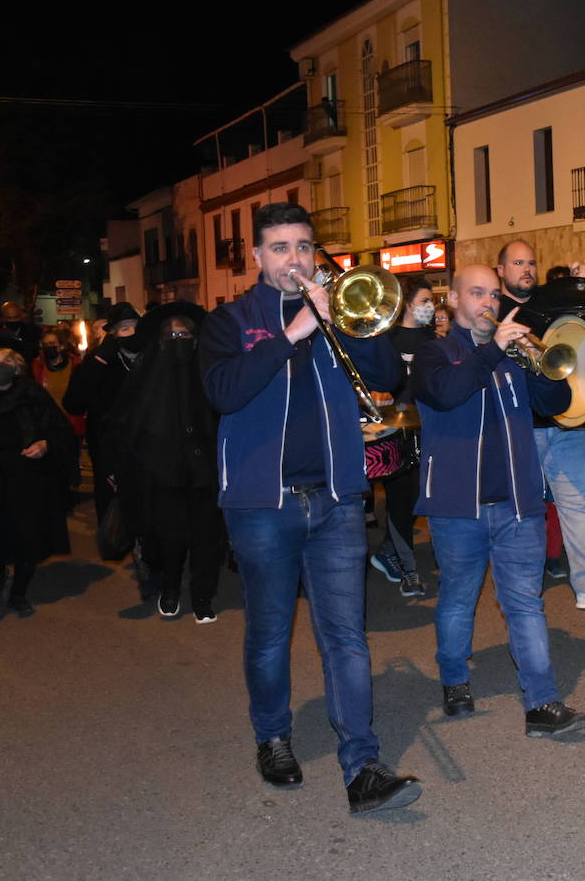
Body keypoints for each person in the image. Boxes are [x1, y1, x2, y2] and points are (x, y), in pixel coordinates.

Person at [199, 202, 420, 814]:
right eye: (280, 248)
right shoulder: (229, 322)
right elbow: (223, 392)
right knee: (270, 634)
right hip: (262, 505)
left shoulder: (335, 309)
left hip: (336, 499)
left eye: (303, 246)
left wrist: (344, 322)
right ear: (257, 256)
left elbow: (387, 375)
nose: (294, 259)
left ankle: (363, 767)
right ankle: (272, 737)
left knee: (346, 637)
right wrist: (293, 332)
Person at [412, 263, 585, 736]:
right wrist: (492, 351)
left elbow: (556, 403)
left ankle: (542, 702)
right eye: (477, 293)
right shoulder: (433, 354)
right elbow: (447, 393)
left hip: (518, 505)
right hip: (457, 507)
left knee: (526, 604)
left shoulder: (512, 355)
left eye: (493, 294)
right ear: (453, 299)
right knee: (457, 600)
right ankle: (454, 681)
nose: (488, 303)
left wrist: (538, 361)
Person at [496, 239, 585, 610]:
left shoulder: (550, 303)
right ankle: (523, 586)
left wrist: (584, 284)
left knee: (576, 505)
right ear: (501, 270)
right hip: (524, 427)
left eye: (531, 263)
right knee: (525, 511)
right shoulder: (495, 311)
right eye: (518, 263)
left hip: (568, 423)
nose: (527, 270)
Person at [110, 302, 225, 620]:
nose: (179, 341)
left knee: (206, 539)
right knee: (170, 538)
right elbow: (126, 423)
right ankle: (171, 589)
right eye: (172, 335)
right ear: (160, 340)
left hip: (205, 472)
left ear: (196, 338)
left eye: (185, 335)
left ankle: (203, 597)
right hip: (162, 473)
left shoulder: (208, 371)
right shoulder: (145, 375)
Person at [0, 339, 76, 617]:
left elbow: (60, 429)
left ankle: (19, 592)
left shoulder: (32, 394)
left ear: (16, 367)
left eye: (6, 360)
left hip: (29, 476)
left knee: (28, 535)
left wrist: (45, 444)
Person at [366, 275, 435, 598]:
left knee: (419, 498)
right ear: (407, 304)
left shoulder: (433, 340)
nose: (430, 307)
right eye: (424, 301)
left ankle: (386, 551)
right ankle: (408, 570)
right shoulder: (387, 338)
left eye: (432, 301)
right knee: (399, 499)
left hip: (427, 429)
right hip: (395, 430)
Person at [63, 302, 142, 525]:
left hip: (145, 447)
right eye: (125, 328)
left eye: (136, 327)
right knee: (114, 515)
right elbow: (74, 404)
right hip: (108, 450)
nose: (132, 332)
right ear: (113, 334)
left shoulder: (153, 358)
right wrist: (98, 362)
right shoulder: (98, 361)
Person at [32, 328, 85, 441]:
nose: (48, 347)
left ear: (61, 346)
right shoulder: (38, 366)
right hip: (48, 424)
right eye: (45, 344)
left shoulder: (76, 365)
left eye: (52, 343)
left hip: (71, 422)